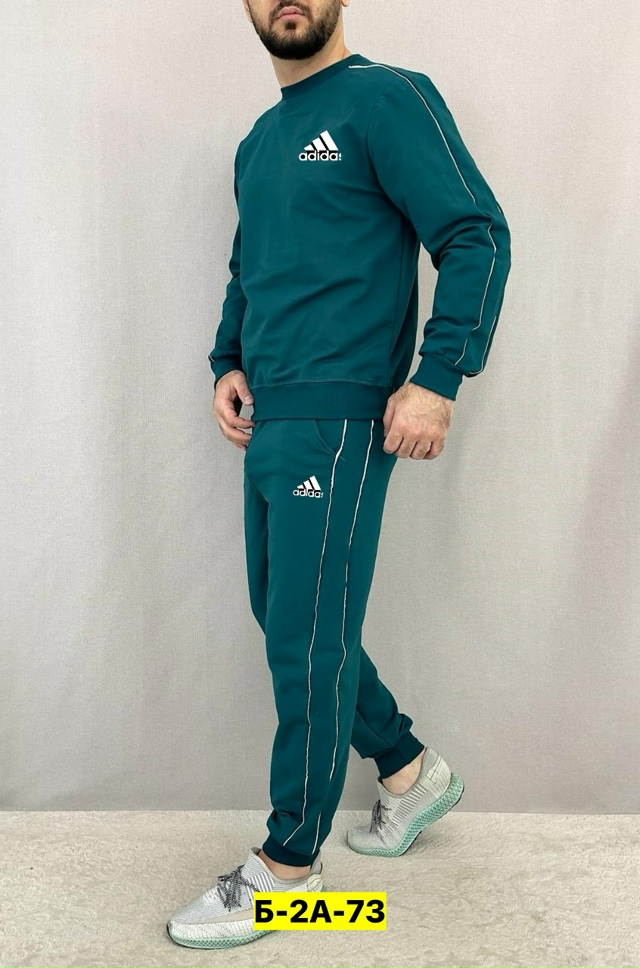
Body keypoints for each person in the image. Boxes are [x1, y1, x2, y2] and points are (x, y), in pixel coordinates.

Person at [167, 0, 511, 949]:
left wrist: (437, 378)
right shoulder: (258, 141)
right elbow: (249, 267)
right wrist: (227, 360)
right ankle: (406, 770)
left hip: (344, 412)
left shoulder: (385, 99)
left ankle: (289, 869)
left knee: (306, 638)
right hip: (272, 413)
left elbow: (476, 233)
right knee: (287, 614)